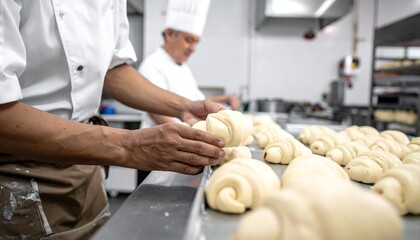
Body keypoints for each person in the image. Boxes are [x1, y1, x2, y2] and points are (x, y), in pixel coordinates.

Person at [0, 1, 226, 239]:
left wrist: (184, 107)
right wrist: (128, 146)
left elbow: (112, 68)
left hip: (87, 168)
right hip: (18, 173)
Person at [139, 0, 241, 129]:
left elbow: (196, 104)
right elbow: (156, 111)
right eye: (189, 40)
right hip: (158, 145)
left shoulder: (184, 69)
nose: (193, 48)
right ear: (170, 34)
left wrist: (225, 99)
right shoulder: (153, 65)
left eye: (196, 42)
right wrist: (191, 134)